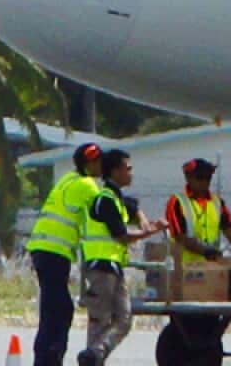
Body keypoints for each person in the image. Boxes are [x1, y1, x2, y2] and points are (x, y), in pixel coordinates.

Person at [76, 149, 166, 366]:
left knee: (124, 319)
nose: (131, 173)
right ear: (115, 171)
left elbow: (132, 206)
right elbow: (121, 235)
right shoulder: (105, 200)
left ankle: (95, 353)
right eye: (128, 168)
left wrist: (143, 219)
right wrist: (150, 231)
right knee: (100, 320)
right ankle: (93, 358)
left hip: (114, 267)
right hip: (100, 267)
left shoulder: (116, 198)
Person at [26, 142, 104, 366]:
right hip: (54, 251)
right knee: (58, 310)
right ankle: (48, 359)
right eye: (98, 162)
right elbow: (105, 210)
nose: (101, 166)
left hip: (44, 249)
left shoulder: (67, 178)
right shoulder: (87, 185)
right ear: (89, 164)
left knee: (55, 308)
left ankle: (47, 357)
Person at [165, 158, 231, 261]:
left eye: (208, 177)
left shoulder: (217, 202)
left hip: (210, 266)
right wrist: (205, 251)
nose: (205, 182)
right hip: (184, 266)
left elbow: (229, 230)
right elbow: (180, 237)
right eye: (200, 177)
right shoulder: (176, 202)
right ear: (188, 178)